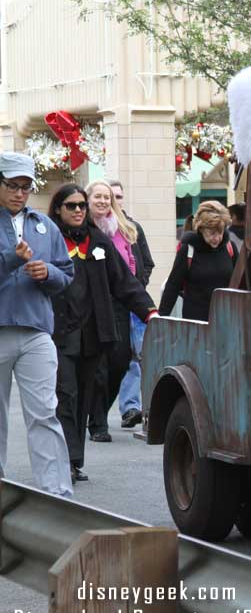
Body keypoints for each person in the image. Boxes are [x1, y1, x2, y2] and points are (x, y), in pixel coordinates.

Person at [48, 185, 157, 482]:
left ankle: (74, 459)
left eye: (82, 205)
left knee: (83, 397)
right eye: (71, 206)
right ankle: (65, 460)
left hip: (94, 334)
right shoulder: (50, 240)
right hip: (59, 333)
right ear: (58, 209)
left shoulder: (98, 242)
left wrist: (149, 310)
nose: (79, 210)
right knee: (65, 395)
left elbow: (125, 282)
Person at [0, 152, 74, 497]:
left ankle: (57, 493)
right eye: (12, 185)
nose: (19, 193)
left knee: (45, 413)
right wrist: (14, 257)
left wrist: (49, 274)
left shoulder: (46, 225)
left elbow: (67, 274)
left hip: (36, 330)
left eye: (26, 187)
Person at [84, 180, 138, 442]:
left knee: (120, 360)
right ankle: (98, 423)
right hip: (91, 303)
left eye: (107, 197)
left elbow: (135, 262)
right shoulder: (83, 229)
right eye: (98, 197)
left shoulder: (123, 228)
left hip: (119, 301)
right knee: (98, 365)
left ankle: (99, 410)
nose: (104, 201)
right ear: (88, 199)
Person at [107, 180, 154, 429]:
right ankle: (97, 411)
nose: (115, 200)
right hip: (109, 302)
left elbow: (147, 261)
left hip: (134, 302)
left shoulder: (132, 227)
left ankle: (131, 408)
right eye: (112, 195)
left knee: (136, 356)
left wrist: (139, 283)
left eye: (118, 196)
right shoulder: (100, 229)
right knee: (112, 357)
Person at [159, 201, 238, 322]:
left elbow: (240, 285)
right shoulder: (188, 249)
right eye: (212, 233)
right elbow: (173, 286)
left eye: (220, 232)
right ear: (201, 229)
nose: (217, 238)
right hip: (196, 324)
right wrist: (161, 319)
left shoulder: (229, 247)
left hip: (225, 320)